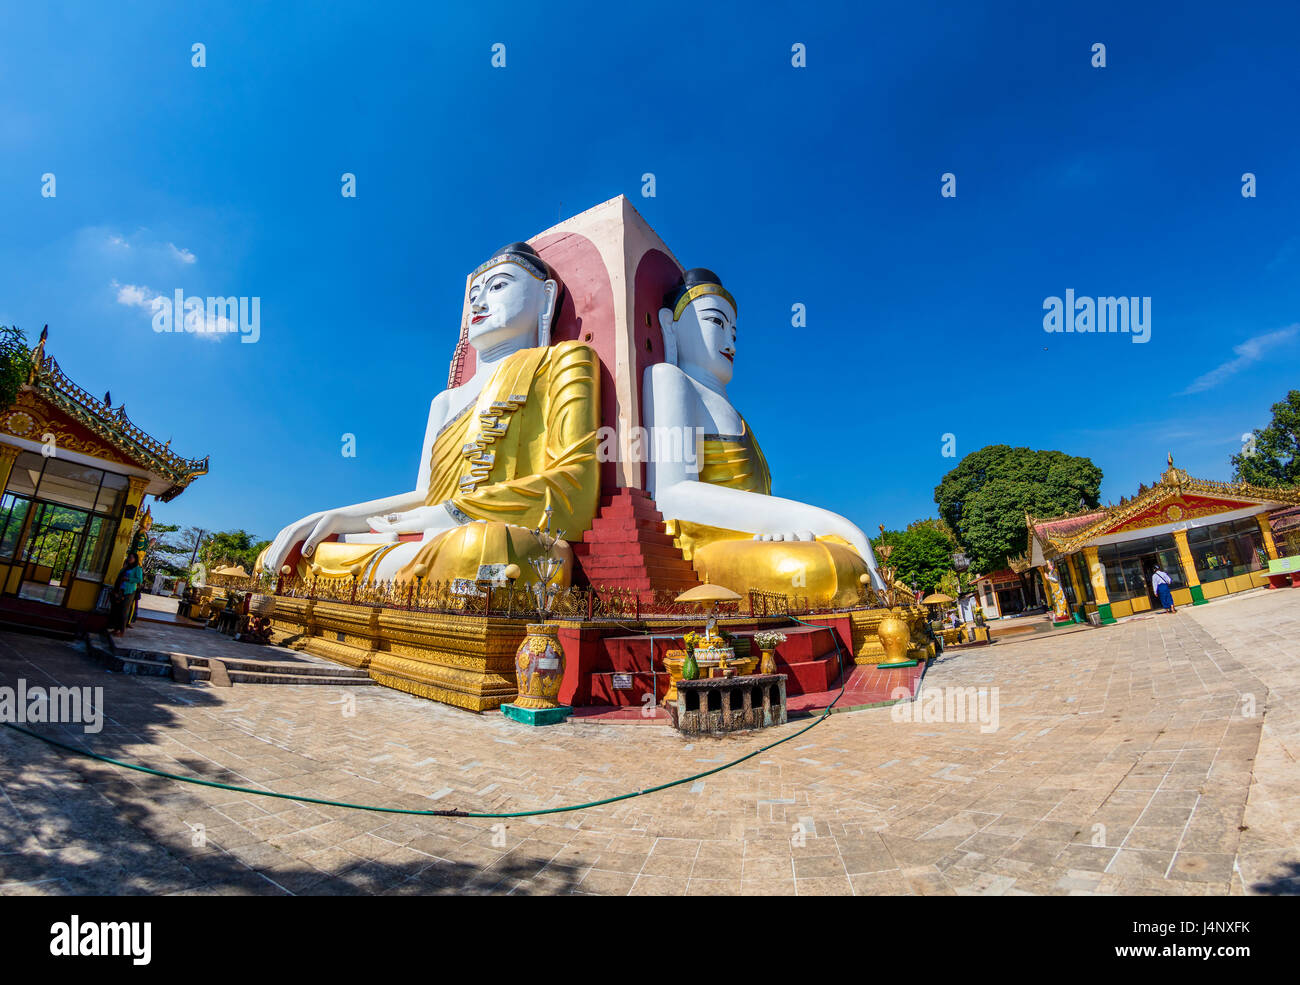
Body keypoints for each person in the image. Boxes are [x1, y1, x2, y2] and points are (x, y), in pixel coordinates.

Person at [109, 552, 144, 636]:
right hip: (120, 590)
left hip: (129, 591)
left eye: (132, 557)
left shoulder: (137, 568)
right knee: (117, 609)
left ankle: (121, 631)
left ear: (135, 559)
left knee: (124, 611)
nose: (130, 559)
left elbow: (139, 580)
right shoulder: (125, 567)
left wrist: (128, 579)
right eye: (129, 557)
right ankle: (116, 628)